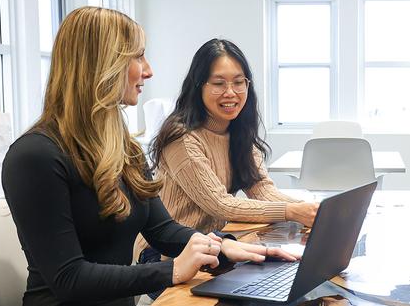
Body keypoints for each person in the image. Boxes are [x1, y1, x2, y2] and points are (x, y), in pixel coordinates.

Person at [1, 7, 296, 306]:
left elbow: (164, 230)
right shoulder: (34, 157)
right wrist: (170, 272)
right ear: (102, 64)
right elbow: (69, 279)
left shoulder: (122, 148)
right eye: (138, 57)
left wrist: (223, 246)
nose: (149, 71)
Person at [134, 38, 318, 263]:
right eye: (219, 83)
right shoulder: (182, 137)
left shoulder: (238, 131)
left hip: (215, 244)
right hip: (166, 253)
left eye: (239, 82)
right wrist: (291, 211)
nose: (231, 92)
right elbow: (221, 204)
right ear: (198, 86)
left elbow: (262, 190)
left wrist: (310, 211)